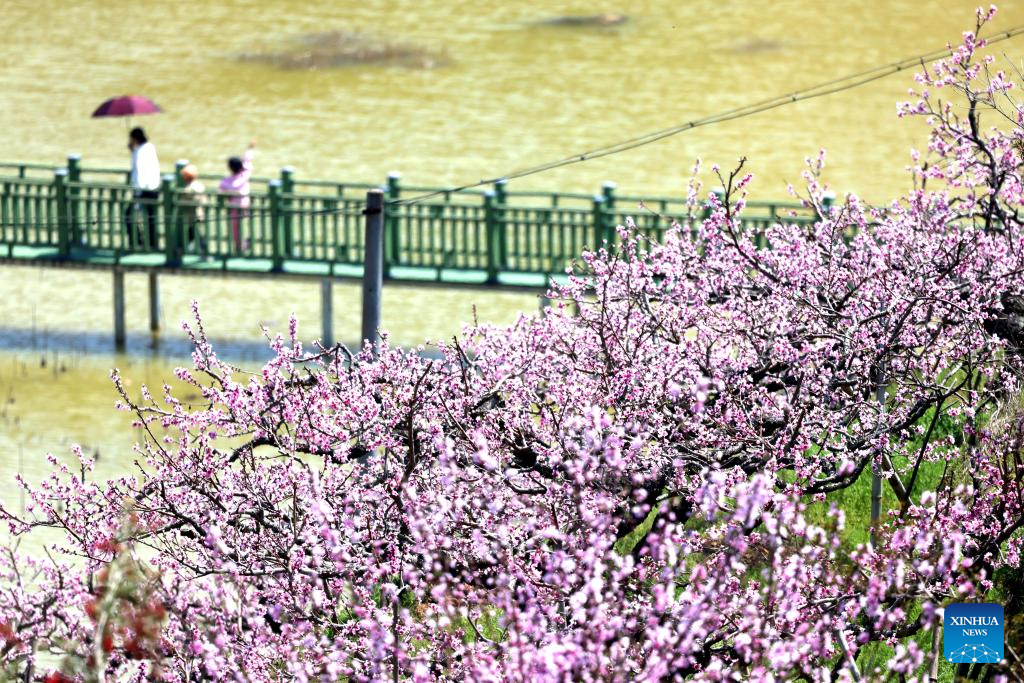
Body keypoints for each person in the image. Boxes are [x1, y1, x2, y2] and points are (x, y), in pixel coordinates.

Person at [126, 127, 161, 249]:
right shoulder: (150, 147)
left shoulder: (139, 152)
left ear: (135, 139)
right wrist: (133, 151)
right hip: (154, 188)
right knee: (151, 217)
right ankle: (152, 243)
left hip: (143, 190)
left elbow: (140, 172)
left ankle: (136, 241)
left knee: (129, 215)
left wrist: (137, 192)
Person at [218, 140, 256, 252]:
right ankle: (248, 241)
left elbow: (221, 191)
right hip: (246, 205)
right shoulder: (245, 175)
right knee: (249, 222)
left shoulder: (226, 182)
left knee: (235, 228)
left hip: (234, 207)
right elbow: (248, 161)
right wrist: (250, 149)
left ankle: (239, 246)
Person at [179, 164, 208, 256]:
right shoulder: (200, 185)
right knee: (194, 233)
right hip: (201, 213)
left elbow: (182, 200)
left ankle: (203, 251)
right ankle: (185, 249)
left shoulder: (188, 189)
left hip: (192, 215)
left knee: (196, 234)